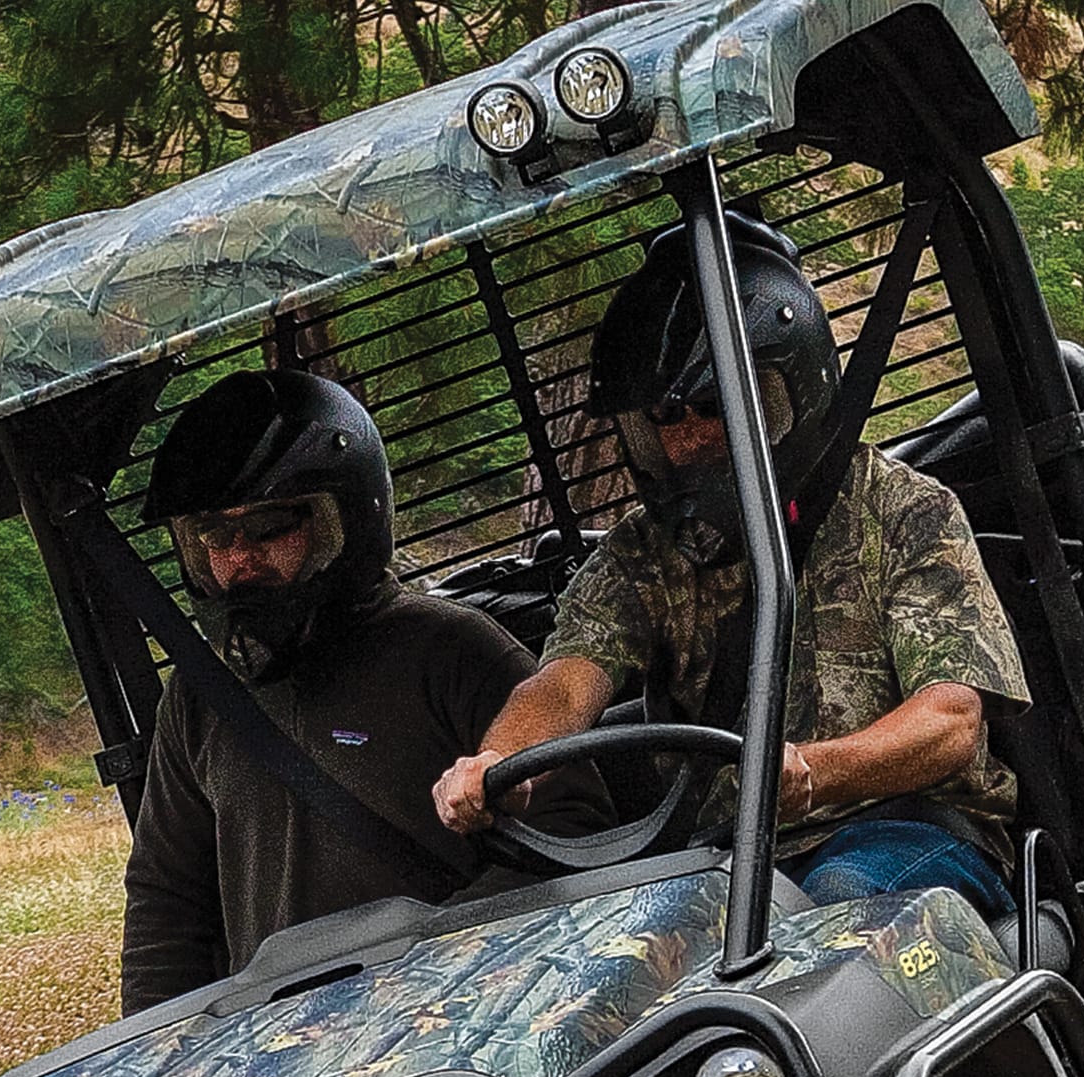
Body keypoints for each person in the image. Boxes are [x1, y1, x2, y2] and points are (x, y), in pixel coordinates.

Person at [432, 212, 1031, 915]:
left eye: (711, 410)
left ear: (787, 393)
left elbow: (951, 721)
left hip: (905, 830)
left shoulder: (906, 510)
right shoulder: (638, 554)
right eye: (663, 421)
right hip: (729, 858)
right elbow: (567, 683)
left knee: (830, 911)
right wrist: (499, 760)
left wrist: (810, 772)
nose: (686, 443)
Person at [121, 368, 613, 1014]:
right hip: (282, 1049)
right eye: (212, 536)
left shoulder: (452, 650)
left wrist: (427, 969)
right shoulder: (199, 696)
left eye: (269, 527)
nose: (238, 558)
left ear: (340, 523)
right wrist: (167, 1047)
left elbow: (577, 826)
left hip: (456, 1025)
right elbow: (167, 903)